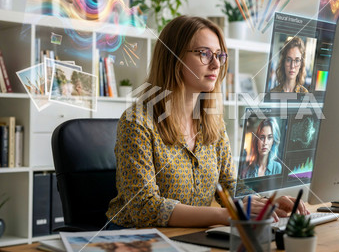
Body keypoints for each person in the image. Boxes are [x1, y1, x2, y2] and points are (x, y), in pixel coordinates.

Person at [105, 16, 308, 229]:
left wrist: (266, 203)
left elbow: (229, 186)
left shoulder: (213, 123)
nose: (216, 64)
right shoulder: (137, 124)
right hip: (134, 239)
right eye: (204, 53)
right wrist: (226, 215)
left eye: (220, 55)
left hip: (191, 235)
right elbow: (144, 208)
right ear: (173, 57)